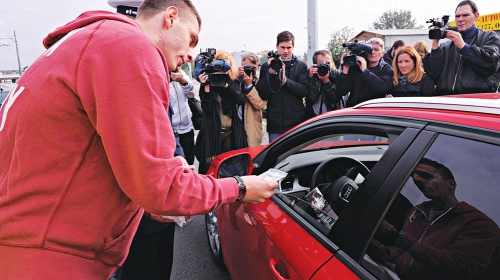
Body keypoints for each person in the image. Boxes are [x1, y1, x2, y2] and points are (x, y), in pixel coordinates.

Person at [0, 1, 277, 279]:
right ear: (170, 17)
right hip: (52, 259)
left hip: (29, 244)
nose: (191, 55)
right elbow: (163, 187)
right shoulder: (128, 46)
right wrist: (240, 187)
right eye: (191, 38)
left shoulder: (83, 42)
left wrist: (145, 198)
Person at [373, 158, 500, 280]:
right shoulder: (416, 212)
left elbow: (458, 266)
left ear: (451, 184)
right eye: (414, 178)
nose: (418, 180)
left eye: (426, 176)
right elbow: (404, 254)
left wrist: (394, 234)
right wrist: (382, 250)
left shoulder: (479, 223)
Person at [424, 0, 500, 95]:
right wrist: (435, 45)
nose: (460, 19)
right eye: (457, 16)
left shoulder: (489, 37)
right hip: (447, 100)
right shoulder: (446, 46)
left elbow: (490, 65)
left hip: (477, 100)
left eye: (465, 15)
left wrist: (463, 46)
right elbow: (434, 74)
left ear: (476, 16)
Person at [195, 50, 248, 174]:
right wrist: (206, 88)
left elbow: (241, 100)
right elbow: (207, 110)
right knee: (210, 167)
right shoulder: (208, 83)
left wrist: (227, 86)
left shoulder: (232, 82)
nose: (222, 72)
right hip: (212, 132)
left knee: (230, 166)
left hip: (231, 133)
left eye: (225, 67)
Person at [256, 31, 309, 142]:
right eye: (282, 47)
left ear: (293, 47)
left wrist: (285, 81)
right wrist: (271, 72)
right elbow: (263, 93)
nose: (285, 51)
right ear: (277, 46)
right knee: (276, 156)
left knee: (297, 155)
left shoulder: (301, 66)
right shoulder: (267, 66)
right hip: (276, 121)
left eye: (289, 47)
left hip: (296, 121)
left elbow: (304, 91)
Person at [336, 37, 394, 107]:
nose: (372, 52)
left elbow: (382, 89)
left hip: (374, 112)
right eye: (369, 49)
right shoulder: (356, 66)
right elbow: (341, 91)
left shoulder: (386, 69)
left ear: (383, 53)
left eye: (376, 50)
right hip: (354, 110)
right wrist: (345, 69)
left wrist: (365, 71)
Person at [237, 52, 267, 147]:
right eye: (247, 67)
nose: (250, 70)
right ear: (241, 66)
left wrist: (249, 86)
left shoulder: (261, 84)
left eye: (253, 68)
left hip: (252, 129)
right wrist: (237, 78)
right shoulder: (235, 81)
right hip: (236, 128)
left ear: (257, 67)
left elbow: (261, 105)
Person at [170, 67, 196, 165]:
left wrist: (182, 81)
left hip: (187, 127)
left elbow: (192, 94)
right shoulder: (161, 75)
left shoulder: (182, 74)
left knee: (189, 162)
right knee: (177, 163)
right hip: (171, 129)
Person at [306, 49, 344, 117]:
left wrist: (326, 81)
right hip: (313, 118)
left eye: (328, 63)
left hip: (334, 117)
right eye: (322, 64)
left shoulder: (337, 74)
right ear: (315, 65)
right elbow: (312, 98)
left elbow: (334, 99)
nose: (325, 66)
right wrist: (311, 79)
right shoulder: (310, 75)